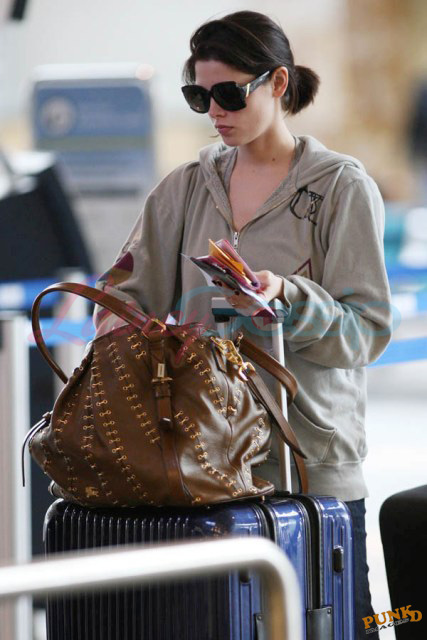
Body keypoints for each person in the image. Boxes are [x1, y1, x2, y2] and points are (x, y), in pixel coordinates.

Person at [94, 11, 392, 638]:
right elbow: (120, 300)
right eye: (199, 96)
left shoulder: (340, 188)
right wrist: (146, 348)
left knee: (348, 624)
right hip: (203, 467)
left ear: (278, 83)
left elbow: (366, 331)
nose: (215, 111)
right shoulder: (184, 189)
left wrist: (289, 297)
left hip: (310, 467)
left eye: (229, 93)